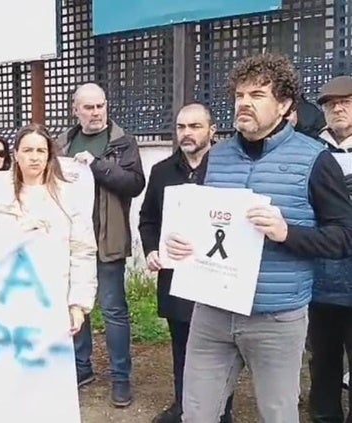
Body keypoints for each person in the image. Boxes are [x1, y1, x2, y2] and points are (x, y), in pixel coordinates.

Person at [164, 53, 352, 423]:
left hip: (277, 317)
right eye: (239, 95)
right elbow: (197, 223)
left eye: (257, 95)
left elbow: (343, 237)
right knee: (196, 414)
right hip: (212, 313)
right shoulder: (215, 158)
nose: (244, 102)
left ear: (284, 105)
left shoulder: (315, 160)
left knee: (278, 415)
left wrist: (287, 233)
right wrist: (177, 243)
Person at [138, 103, 234, 423]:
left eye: (195, 126)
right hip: (176, 275)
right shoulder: (162, 171)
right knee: (181, 343)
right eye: (181, 127)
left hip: (217, 274)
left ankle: (222, 410)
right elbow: (148, 219)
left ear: (212, 131)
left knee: (220, 349)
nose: (187, 133)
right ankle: (183, 406)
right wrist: (151, 250)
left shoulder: (227, 168)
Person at [57, 82, 146, 406]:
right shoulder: (61, 144)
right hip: (69, 242)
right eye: (88, 107)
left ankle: (121, 378)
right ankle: (82, 367)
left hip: (108, 238)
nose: (95, 113)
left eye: (100, 106)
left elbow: (135, 184)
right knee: (75, 306)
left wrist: (97, 164)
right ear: (75, 109)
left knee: (113, 310)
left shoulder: (122, 143)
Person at [0, 123, 97, 331]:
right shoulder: (0, 196)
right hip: (11, 299)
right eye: (28, 150)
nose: (34, 157)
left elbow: (82, 252)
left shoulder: (68, 196)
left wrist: (77, 304)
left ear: (49, 156)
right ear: (16, 154)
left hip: (54, 297)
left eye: (41, 151)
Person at [307, 75, 352, 422]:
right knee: (322, 358)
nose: (337, 108)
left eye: (346, 102)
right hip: (320, 276)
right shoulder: (310, 149)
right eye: (330, 103)